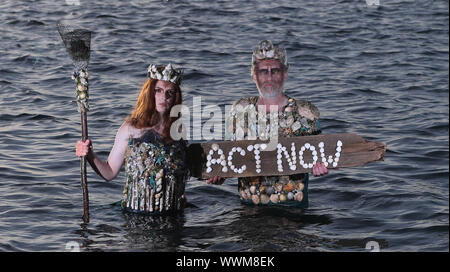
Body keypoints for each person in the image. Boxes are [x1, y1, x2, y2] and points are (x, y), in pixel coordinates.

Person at [208, 40, 328, 208]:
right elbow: (231, 155)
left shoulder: (305, 112)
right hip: (249, 211)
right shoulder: (239, 109)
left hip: (293, 212)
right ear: (253, 74)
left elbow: (322, 153)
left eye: (275, 71)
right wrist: (221, 174)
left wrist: (320, 165)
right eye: (263, 71)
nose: (269, 77)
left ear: (285, 73)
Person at [75, 63, 189, 213]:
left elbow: (186, 170)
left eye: (170, 92)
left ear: (176, 97)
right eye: (158, 91)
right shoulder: (130, 129)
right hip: (137, 215)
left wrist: (214, 174)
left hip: (173, 214)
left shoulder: (179, 130)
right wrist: (89, 155)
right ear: (149, 93)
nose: (164, 97)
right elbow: (109, 172)